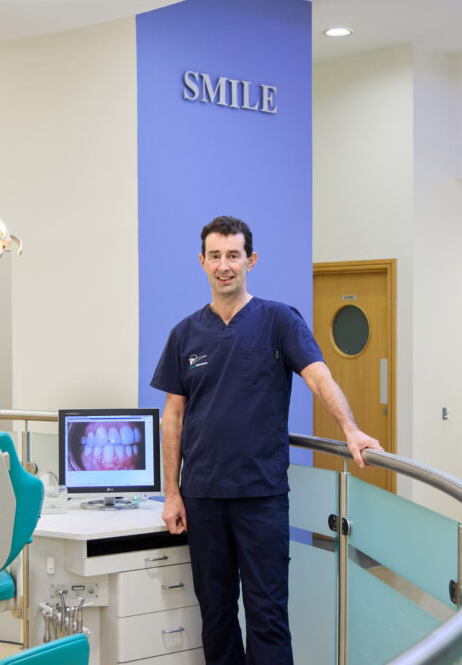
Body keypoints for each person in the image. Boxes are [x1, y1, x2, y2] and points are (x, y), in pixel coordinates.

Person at [150, 215, 382, 665]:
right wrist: (172, 493)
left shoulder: (278, 321)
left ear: (249, 261)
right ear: (202, 262)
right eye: (215, 256)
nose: (224, 265)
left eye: (233, 255)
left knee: (267, 617)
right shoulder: (185, 334)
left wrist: (350, 429)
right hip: (203, 496)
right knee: (216, 615)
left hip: (262, 496)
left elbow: (319, 379)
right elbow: (172, 418)